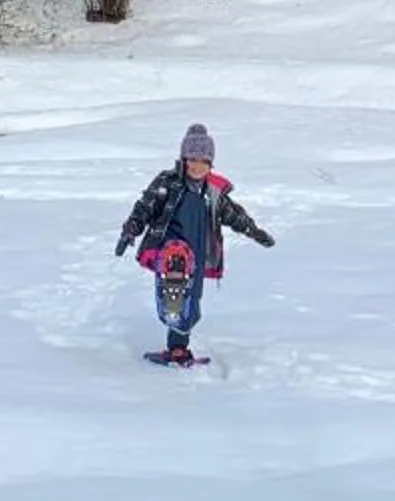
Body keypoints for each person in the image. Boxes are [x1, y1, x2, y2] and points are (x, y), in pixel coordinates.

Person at [113, 123, 274, 364]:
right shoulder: (168, 183)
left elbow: (234, 215)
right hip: (170, 248)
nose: (197, 166)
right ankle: (173, 320)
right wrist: (130, 230)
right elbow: (145, 208)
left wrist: (254, 231)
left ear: (210, 163)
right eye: (192, 159)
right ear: (184, 159)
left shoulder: (213, 192)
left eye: (204, 161)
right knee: (175, 286)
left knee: (192, 302)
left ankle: (178, 348)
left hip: (198, 252)